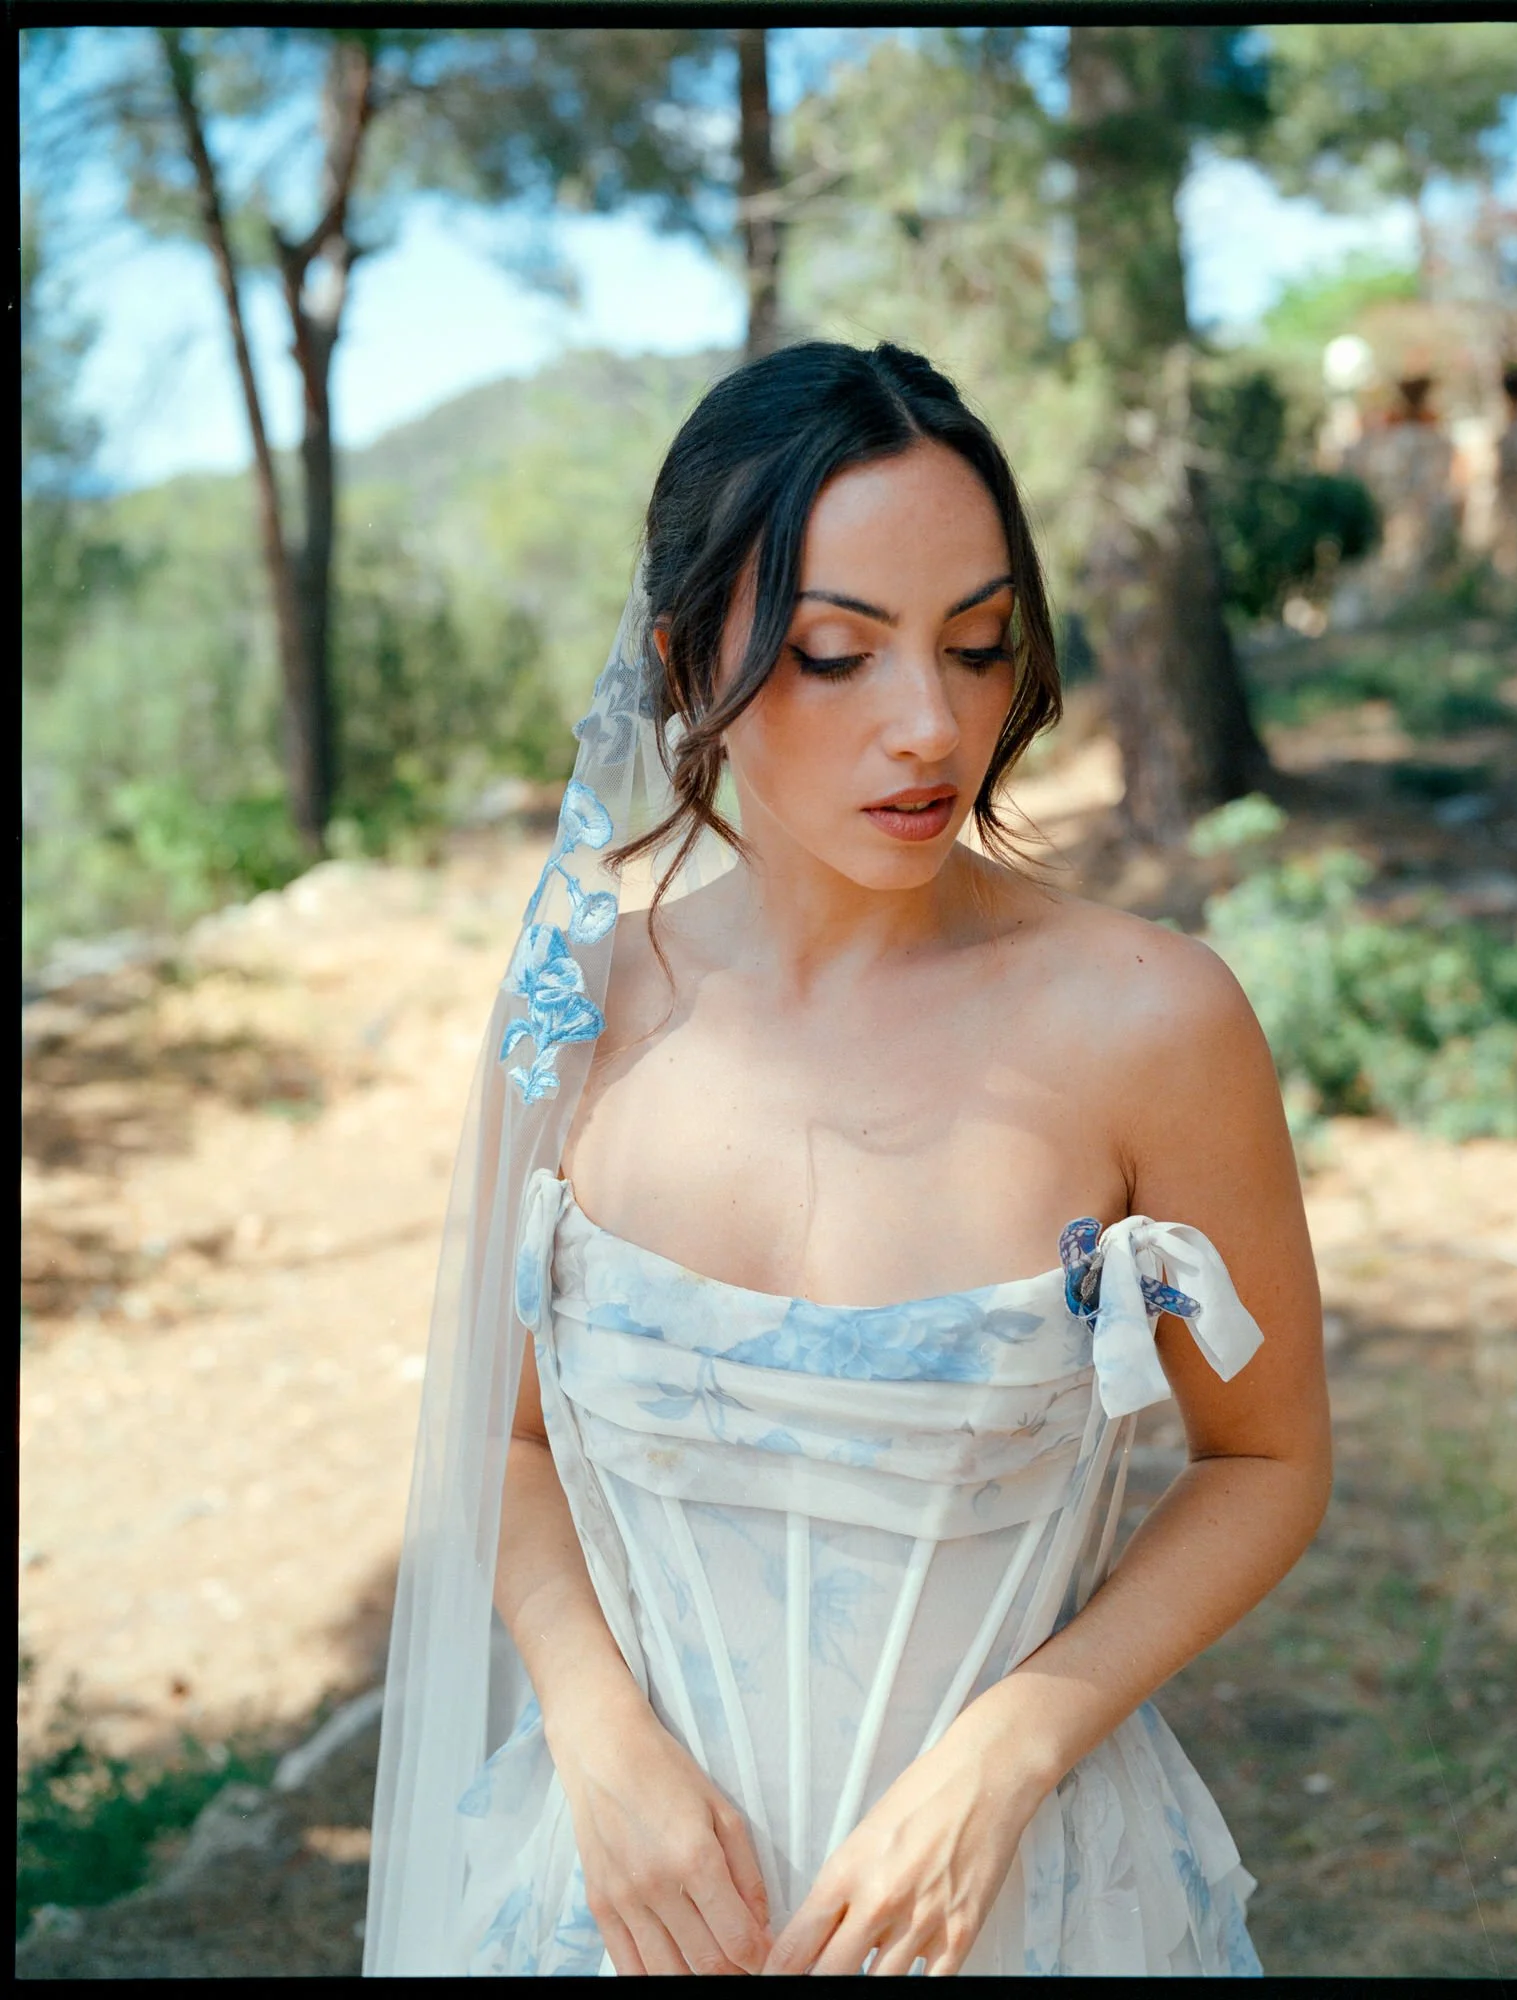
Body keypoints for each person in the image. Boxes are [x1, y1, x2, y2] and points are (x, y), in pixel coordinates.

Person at [364, 341, 1331, 1978]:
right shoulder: (576, 1003)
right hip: (624, 1903)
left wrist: (1006, 1753)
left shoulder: (1151, 1020)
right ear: (684, 662)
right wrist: (597, 1739)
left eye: (975, 646)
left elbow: (1264, 1462)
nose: (928, 724)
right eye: (835, 653)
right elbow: (505, 1436)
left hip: (1019, 1908)